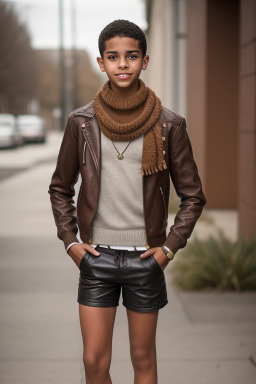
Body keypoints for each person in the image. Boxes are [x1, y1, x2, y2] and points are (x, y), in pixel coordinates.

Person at [48, 19, 206, 384]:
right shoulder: (81, 123)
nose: (123, 64)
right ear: (101, 63)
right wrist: (70, 241)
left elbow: (193, 195)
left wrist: (169, 248)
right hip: (97, 256)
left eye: (131, 56)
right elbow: (60, 188)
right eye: (113, 57)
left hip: (145, 258)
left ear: (144, 61)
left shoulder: (170, 125)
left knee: (142, 359)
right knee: (93, 362)